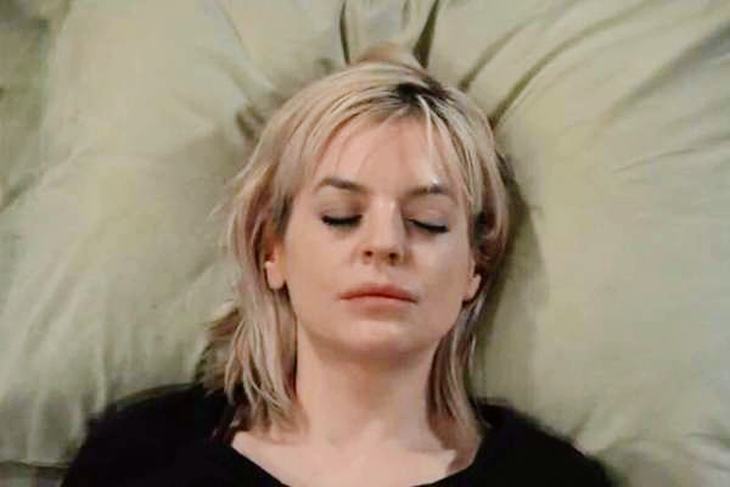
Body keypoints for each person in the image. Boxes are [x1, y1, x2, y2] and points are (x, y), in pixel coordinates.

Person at [62, 44, 612, 486]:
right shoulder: (139, 457)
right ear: (272, 251)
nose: (385, 244)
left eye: (428, 222)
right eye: (341, 216)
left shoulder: (552, 480)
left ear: (475, 268)